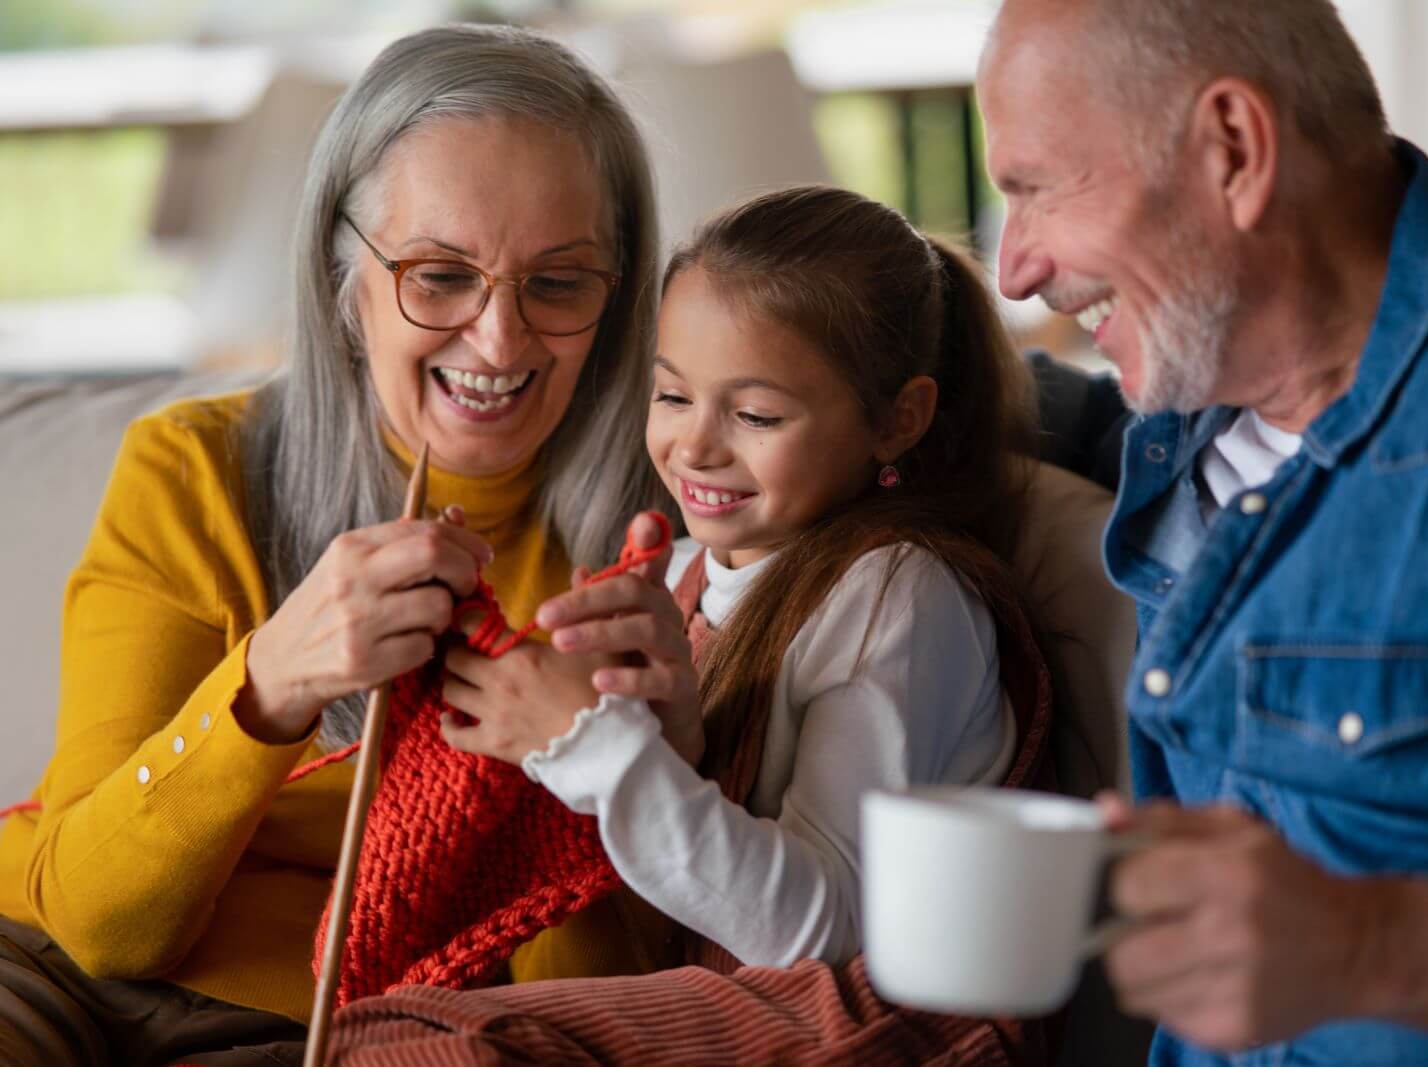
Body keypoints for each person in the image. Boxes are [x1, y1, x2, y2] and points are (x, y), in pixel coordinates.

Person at [0, 24, 696, 1065]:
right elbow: (101, 920)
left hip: (366, 1025)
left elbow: (597, 1007)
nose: (498, 339)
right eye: (440, 275)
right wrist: (272, 680)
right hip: (49, 968)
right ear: (345, 274)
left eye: (557, 283)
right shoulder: (193, 472)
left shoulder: (662, 553)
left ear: (618, 293)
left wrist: (594, 764)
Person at [977, 0, 1428, 1064]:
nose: (1016, 268)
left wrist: (1366, 945)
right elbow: (949, 391)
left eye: (1035, 190)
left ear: (1232, 148)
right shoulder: (1185, 395)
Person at [434, 184, 1052, 970]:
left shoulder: (898, 596)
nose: (694, 446)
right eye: (672, 395)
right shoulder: (690, 574)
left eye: (755, 415)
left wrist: (591, 744)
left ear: (899, 418)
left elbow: (816, 928)